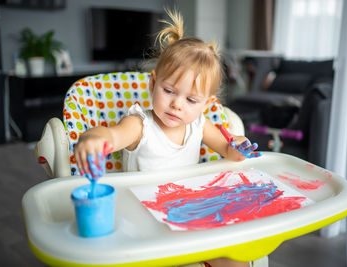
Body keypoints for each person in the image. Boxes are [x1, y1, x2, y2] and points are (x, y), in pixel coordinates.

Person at [74, 9, 260, 267]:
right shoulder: (140, 125)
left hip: (187, 215)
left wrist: (239, 145)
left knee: (236, 260)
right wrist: (93, 139)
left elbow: (229, 151)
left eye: (191, 99)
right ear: (153, 84)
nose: (177, 105)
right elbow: (112, 135)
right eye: (169, 91)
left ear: (206, 104)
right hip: (141, 224)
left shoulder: (199, 125)